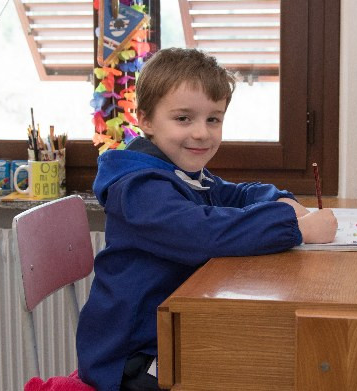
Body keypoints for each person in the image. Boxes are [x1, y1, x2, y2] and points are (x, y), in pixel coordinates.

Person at [76, 47, 337, 391]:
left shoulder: (181, 171)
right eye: (183, 118)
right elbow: (204, 233)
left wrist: (281, 200)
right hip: (131, 358)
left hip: (174, 330)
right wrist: (294, 227)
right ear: (146, 120)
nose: (201, 133)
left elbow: (232, 194)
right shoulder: (140, 188)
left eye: (213, 119)